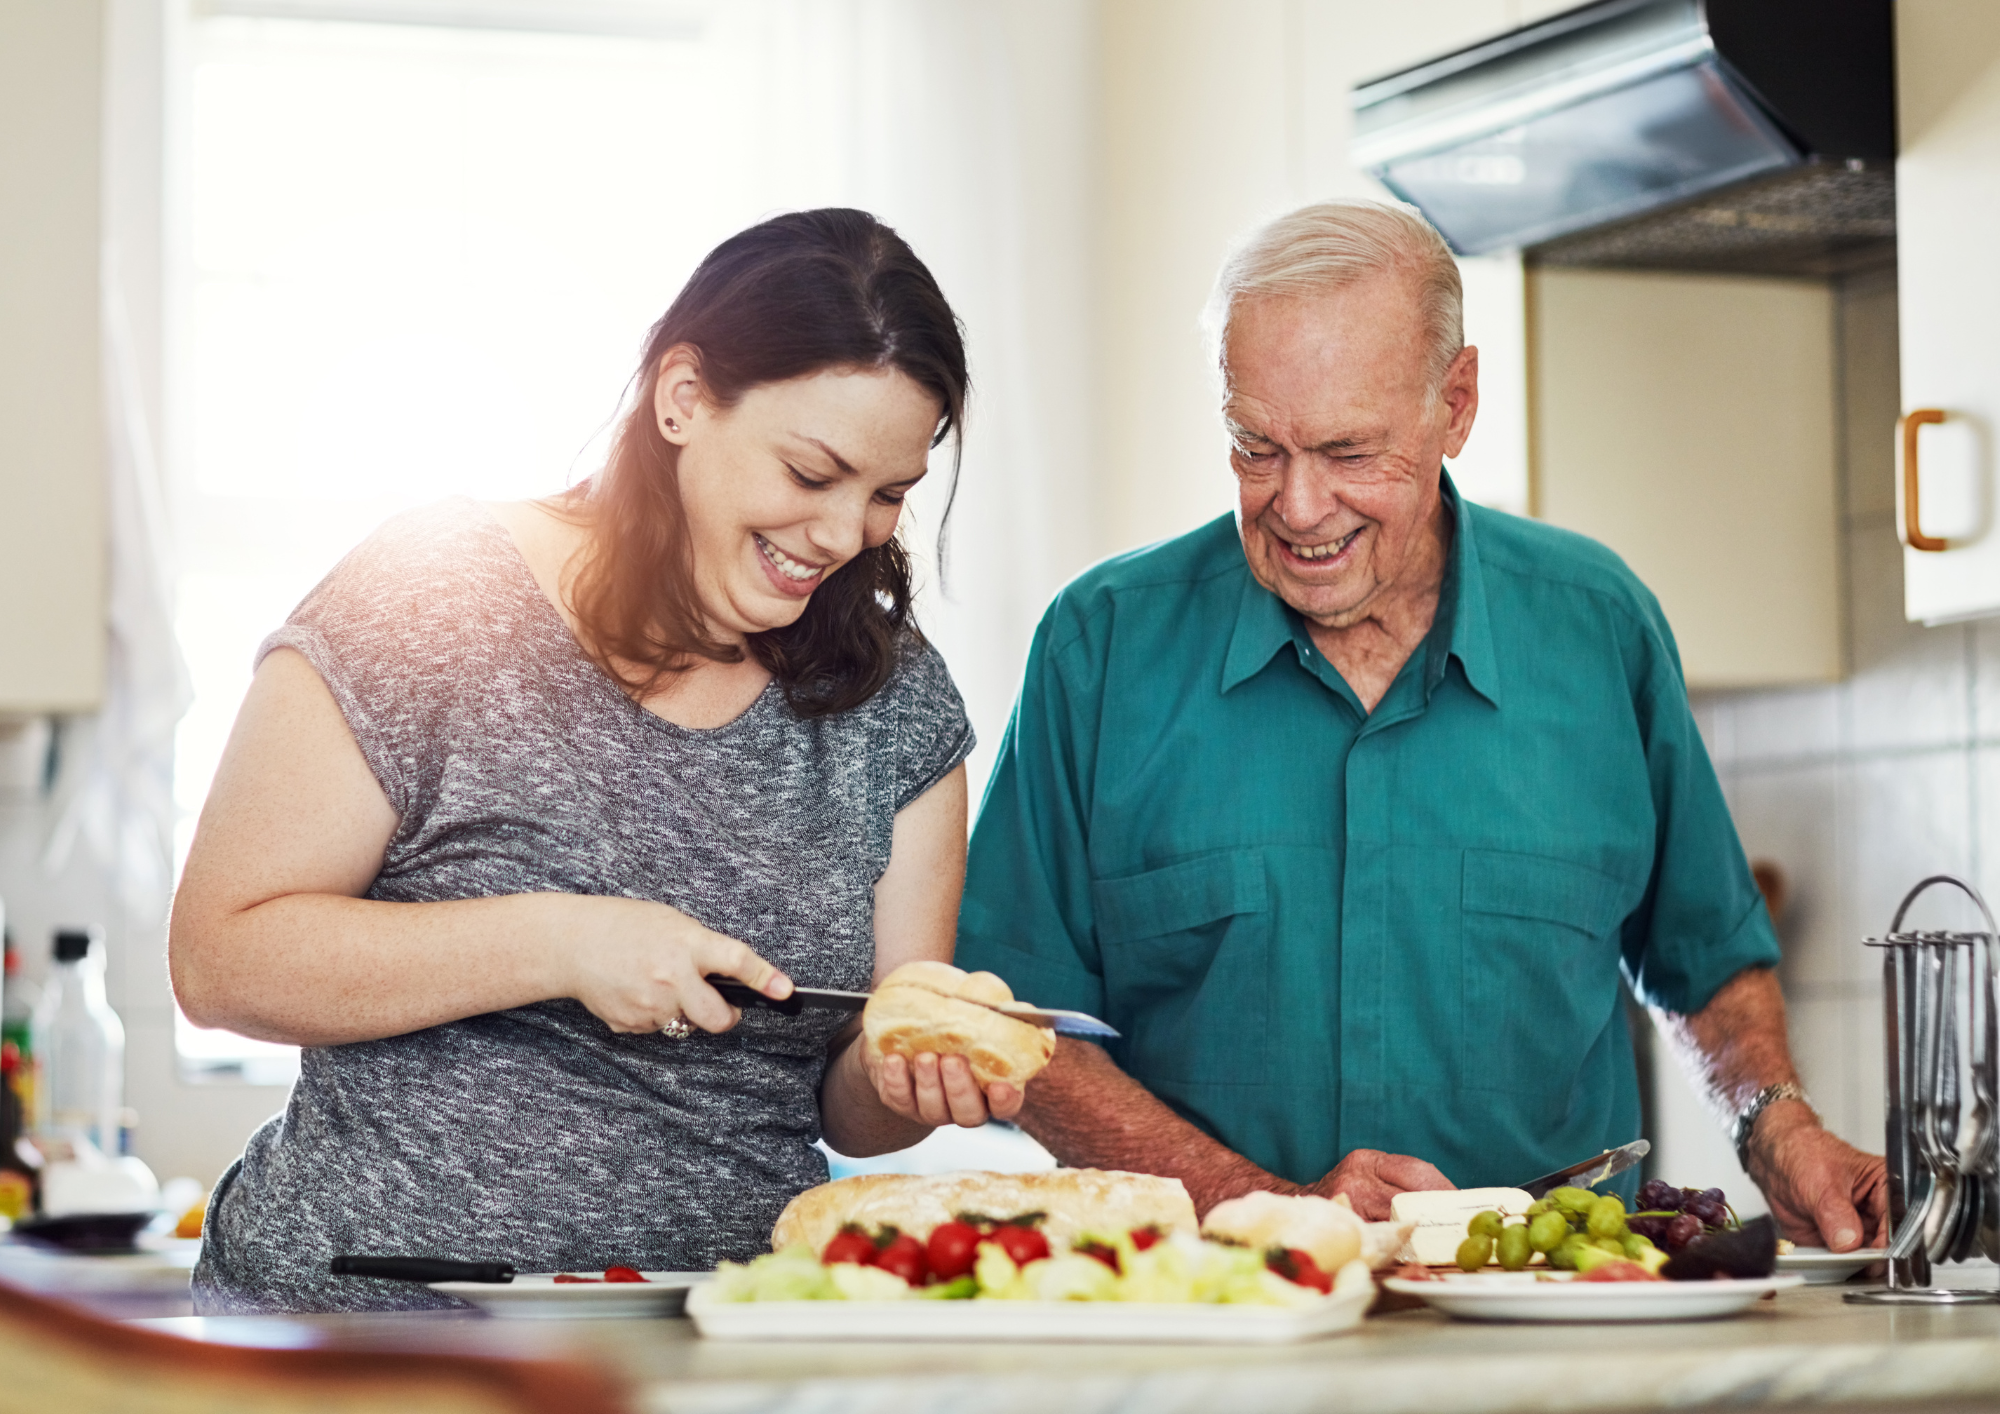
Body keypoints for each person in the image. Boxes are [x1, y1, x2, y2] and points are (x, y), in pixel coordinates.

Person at [956, 199, 1888, 1249]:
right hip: (1211, 1331)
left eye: (1349, 451)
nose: (1300, 507)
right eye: (1254, 446)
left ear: (1455, 404)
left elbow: (1703, 954)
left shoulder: (1598, 627)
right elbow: (1016, 1025)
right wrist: (1259, 1209)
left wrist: (1773, 1124)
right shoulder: (1101, 647)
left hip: (1555, 1338)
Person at [171, 209, 1015, 1313]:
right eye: (812, 471)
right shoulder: (431, 593)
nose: (843, 531)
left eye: (888, 493)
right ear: (681, 399)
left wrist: (908, 1069)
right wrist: (564, 940)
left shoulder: (893, 701)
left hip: (706, 1355)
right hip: (357, 1341)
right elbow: (219, 961)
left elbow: (851, 1101)